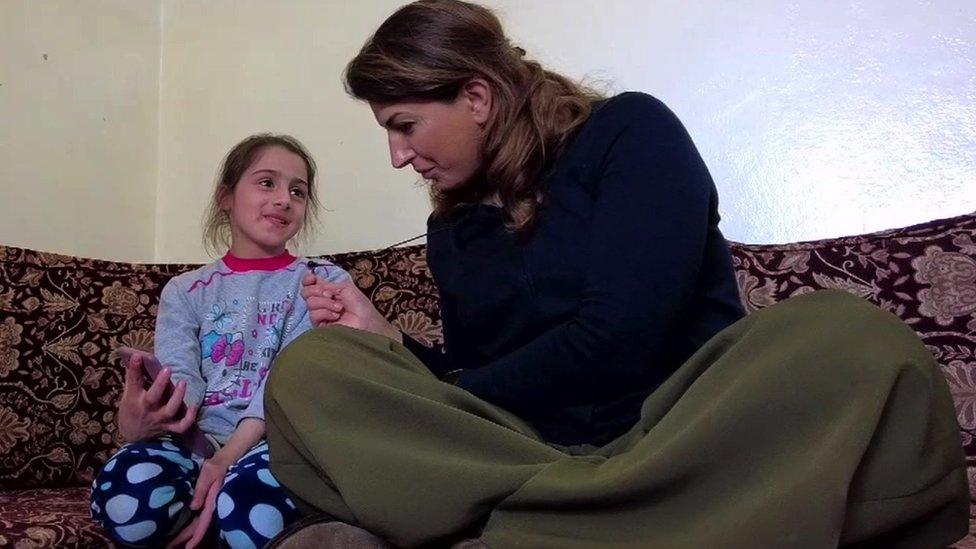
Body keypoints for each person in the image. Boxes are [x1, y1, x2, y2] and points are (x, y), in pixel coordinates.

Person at [264, 1, 970, 547]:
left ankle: (539, 523)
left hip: (682, 435)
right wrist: (396, 346)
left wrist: (452, 391)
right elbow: (485, 391)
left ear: (475, 98)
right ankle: (610, 518)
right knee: (313, 370)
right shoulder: (454, 230)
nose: (396, 155)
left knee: (850, 338)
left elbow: (620, 335)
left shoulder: (631, 135)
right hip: (526, 452)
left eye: (404, 125)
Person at [90, 134, 350, 548]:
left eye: (298, 191)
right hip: (195, 442)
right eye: (267, 182)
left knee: (249, 508)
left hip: (281, 445)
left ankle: (216, 517)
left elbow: (288, 385)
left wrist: (226, 463)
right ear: (226, 197)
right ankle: (210, 518)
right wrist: (142, 417)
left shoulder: (323, 281)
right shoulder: (185, 290)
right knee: (123, 499)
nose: (284, 199)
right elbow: (182, 382)